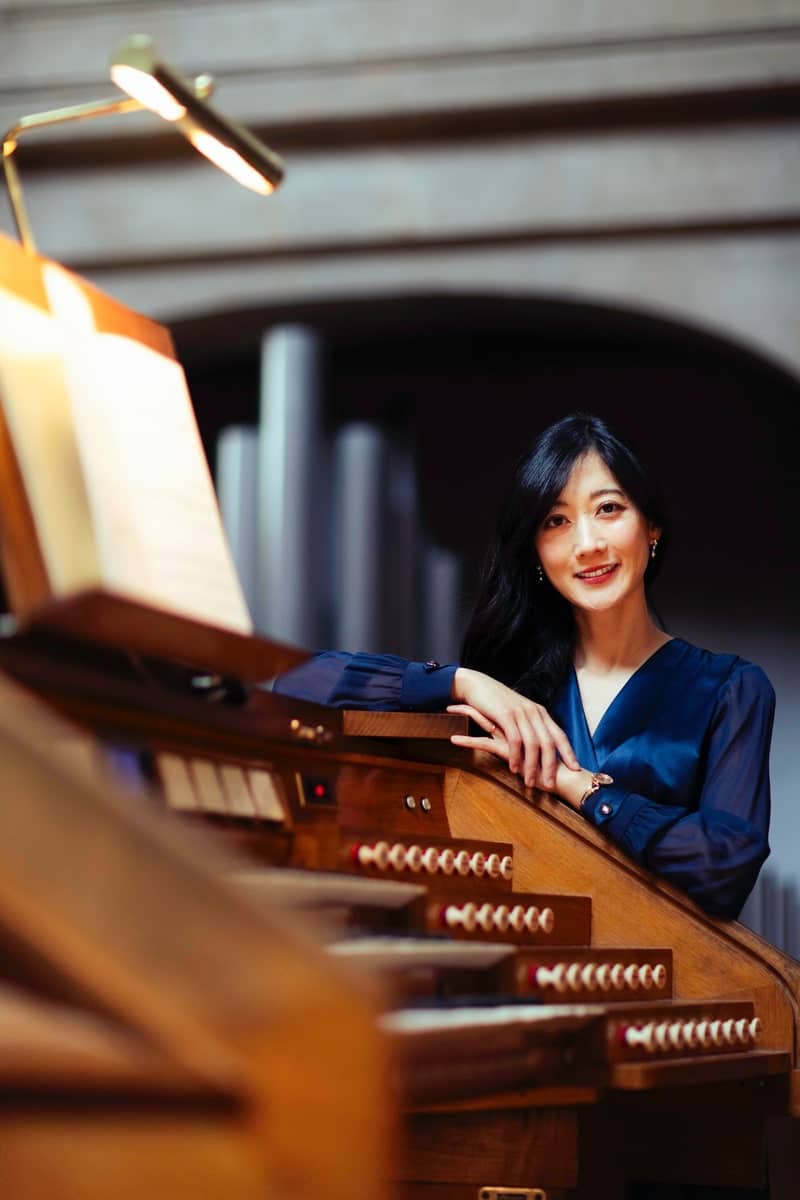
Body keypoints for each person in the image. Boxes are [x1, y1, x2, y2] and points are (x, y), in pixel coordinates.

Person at [274, 412, 773, 919]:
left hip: (671, 960)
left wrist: (577, 786)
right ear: (535, 550)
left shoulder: (731, 688)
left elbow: (725, 868)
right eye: (556, 521)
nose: (588, 544)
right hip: (514, 953)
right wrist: (463, 682)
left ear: (652, 526)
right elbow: (297, 681)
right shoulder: (507, 687)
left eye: (608, 508)